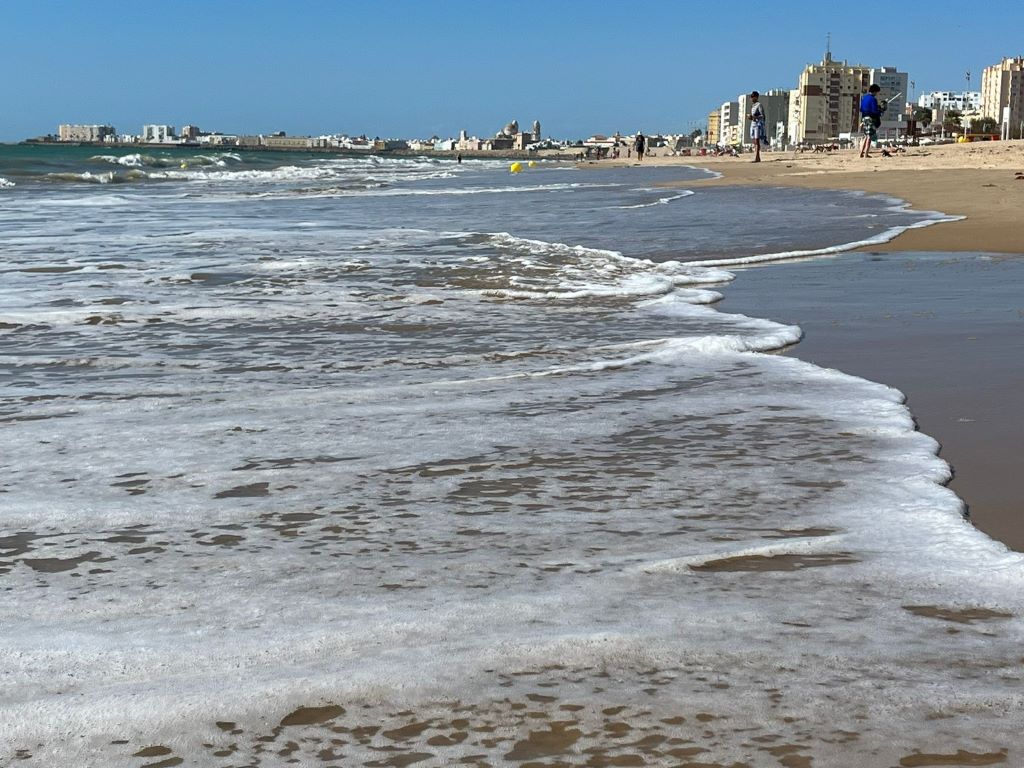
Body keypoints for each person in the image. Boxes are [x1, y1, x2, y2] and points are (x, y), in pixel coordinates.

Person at [859, 84, 883, 158]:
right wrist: (880, 111)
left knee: (866, 136)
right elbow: (875, 111)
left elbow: (861, 109)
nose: (877, 94)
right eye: (877, 92)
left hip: (864, 118)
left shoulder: (864, 98)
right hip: (870, 118)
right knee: (869, 136)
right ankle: (866, 154)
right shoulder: (873, 99)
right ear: (874, 91)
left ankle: (861, 153)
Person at [748, 91, 767, 162]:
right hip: (753, 124)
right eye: (751, 97)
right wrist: (751, 117)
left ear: (756, 97)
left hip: (757, 125)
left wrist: (754, 117)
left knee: (757, 140)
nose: (751, 98)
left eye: (753, 97)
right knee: (754, 141)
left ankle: (757, 157)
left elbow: (762, 116)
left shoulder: (759, 105)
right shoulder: (753, 106)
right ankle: (756, 156)